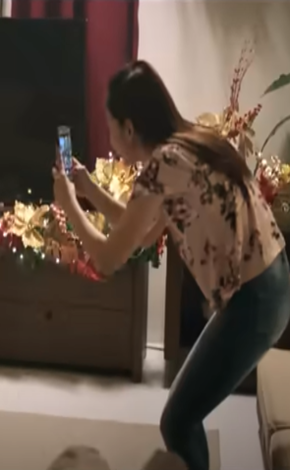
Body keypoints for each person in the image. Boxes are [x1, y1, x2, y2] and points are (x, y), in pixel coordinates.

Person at [52, 60, 289, 470]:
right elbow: (142, 231)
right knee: (181, 417)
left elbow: (108, 259)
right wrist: (88, 189)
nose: (111, 137)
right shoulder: (191, 144)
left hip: (254, 300)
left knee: (178, 420)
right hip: (271, 282)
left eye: (111, 127)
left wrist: (70, 205)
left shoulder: (164, 165)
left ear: (129, 129)